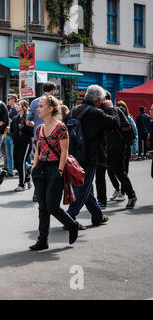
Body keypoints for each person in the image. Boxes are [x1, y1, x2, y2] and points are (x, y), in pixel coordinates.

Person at [66, 85, 120, 228]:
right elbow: (115, 123)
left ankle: (97, 216)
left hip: (73, 154)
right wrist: (110, 107)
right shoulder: (95, 112)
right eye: (102, 99)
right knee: (84, 188)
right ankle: (69, 217)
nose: (103, 101)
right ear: (97, 99)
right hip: (90, 156)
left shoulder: (74, 110)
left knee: (87, 189)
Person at [30, 95, 79, 250]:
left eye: (41, 106)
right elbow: (38, 150)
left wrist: (59, 170)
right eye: (38, 106)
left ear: (50, 109)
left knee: (52, 206)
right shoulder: (39, 129)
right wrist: (34, 167)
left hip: (55, 168)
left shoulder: (61, 127)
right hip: (40, 169)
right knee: (42, 206)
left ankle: (72, 224)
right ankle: (42, 240)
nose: (38, 109)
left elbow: (64, 152)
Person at [95, 93, 137, 209]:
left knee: (120, 173)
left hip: (116, 147)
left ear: (105, 99)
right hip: (102, 148)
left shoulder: (116, 110)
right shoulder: (98, 111)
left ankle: (131, 195)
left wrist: (114, 127)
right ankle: (101, 201)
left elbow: (127, 126)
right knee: (99, 175)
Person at [10, 99, 34, 192]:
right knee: (16, 163)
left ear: (23, 107)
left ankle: (22, 184)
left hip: (25, 143)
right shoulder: (15, 118)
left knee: (21, 163)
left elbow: (31, 132)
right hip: (16, 143)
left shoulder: (27, 118)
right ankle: (27, 175)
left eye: (18, 104)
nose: (16, 105)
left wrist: (28, 126)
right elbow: (12, 130)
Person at [3, 94, 19, 179]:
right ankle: (10, 171)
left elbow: (17, 121)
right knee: (8, 154)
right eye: (8, 99)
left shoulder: (16, 109)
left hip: (13, 134)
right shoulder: (9, 109)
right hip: (7, 133)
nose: (8, 101)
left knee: (14, 154)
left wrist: (8, 119)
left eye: (9, 99)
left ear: (13, 100)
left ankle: (27, 167)